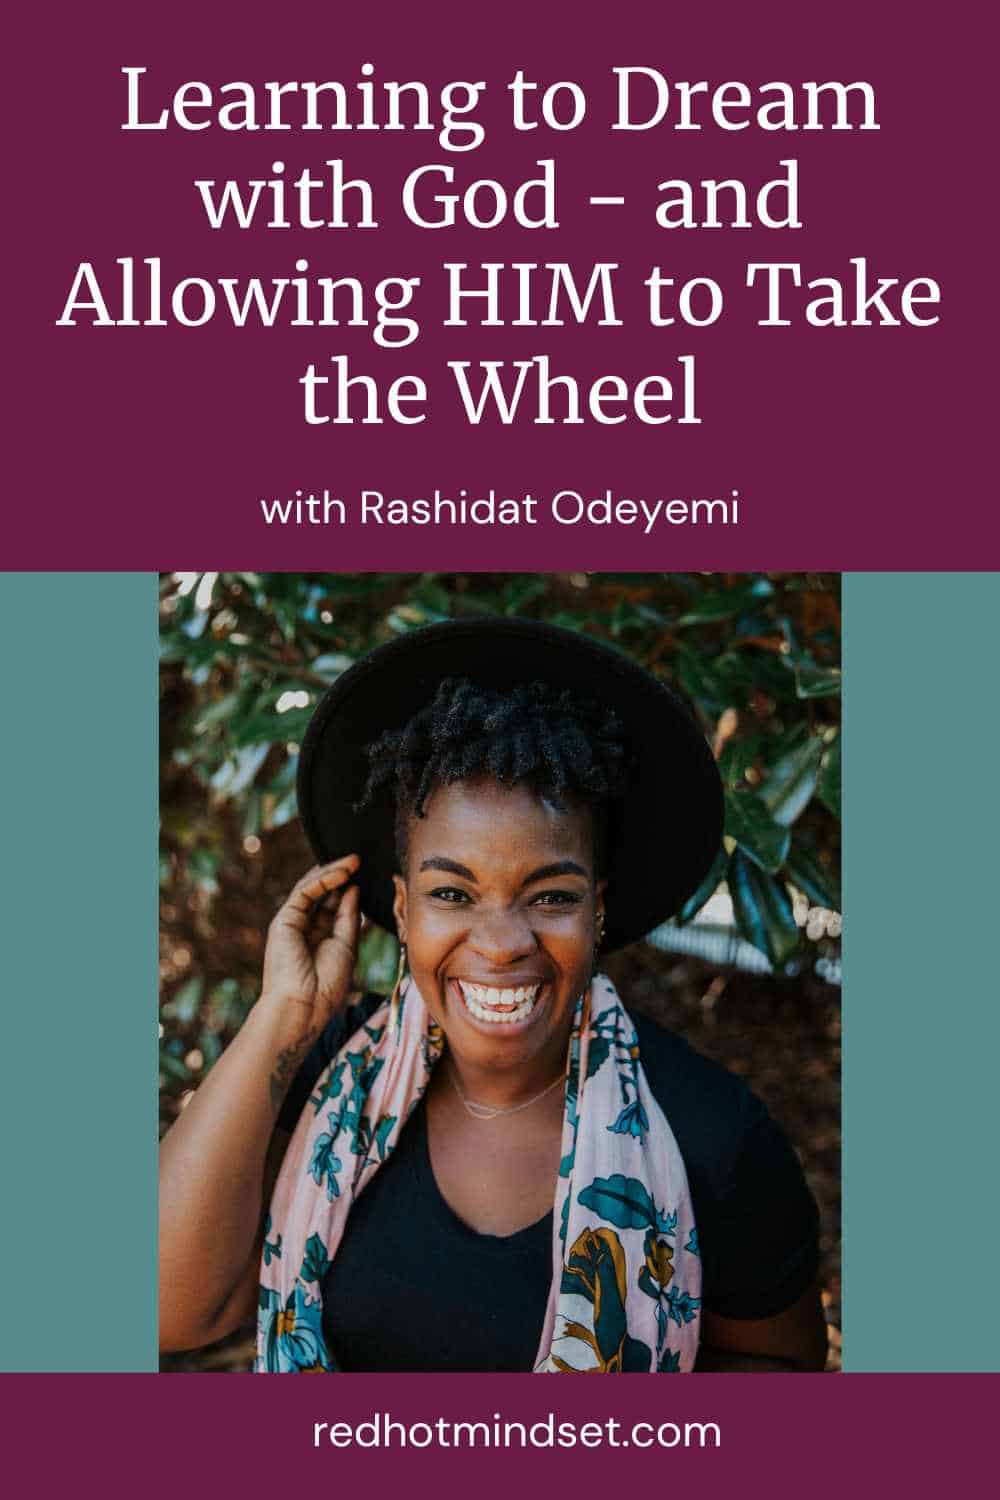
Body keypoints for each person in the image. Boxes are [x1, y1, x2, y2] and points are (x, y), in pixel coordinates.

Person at [160, 619, 827, 1372]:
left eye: (549, 897)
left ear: (596, 910)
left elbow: (783, 1374)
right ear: (404, 911)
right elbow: (169, 1311)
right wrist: (281, 1015)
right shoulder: (325, 1079)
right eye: (452, 892)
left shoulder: (709, 1133)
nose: (503, 940)